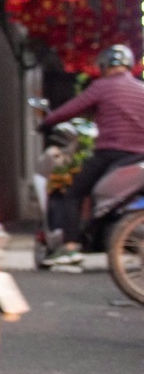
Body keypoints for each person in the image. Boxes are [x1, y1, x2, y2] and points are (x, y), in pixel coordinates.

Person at [37, 44, 144, 267]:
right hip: (139, 157)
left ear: (105, 66)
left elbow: (72, 108)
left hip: (111, 154)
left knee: (73, 191)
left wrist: (47, 122)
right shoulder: (140, 89)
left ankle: (70, 247)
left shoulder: (102, 87)